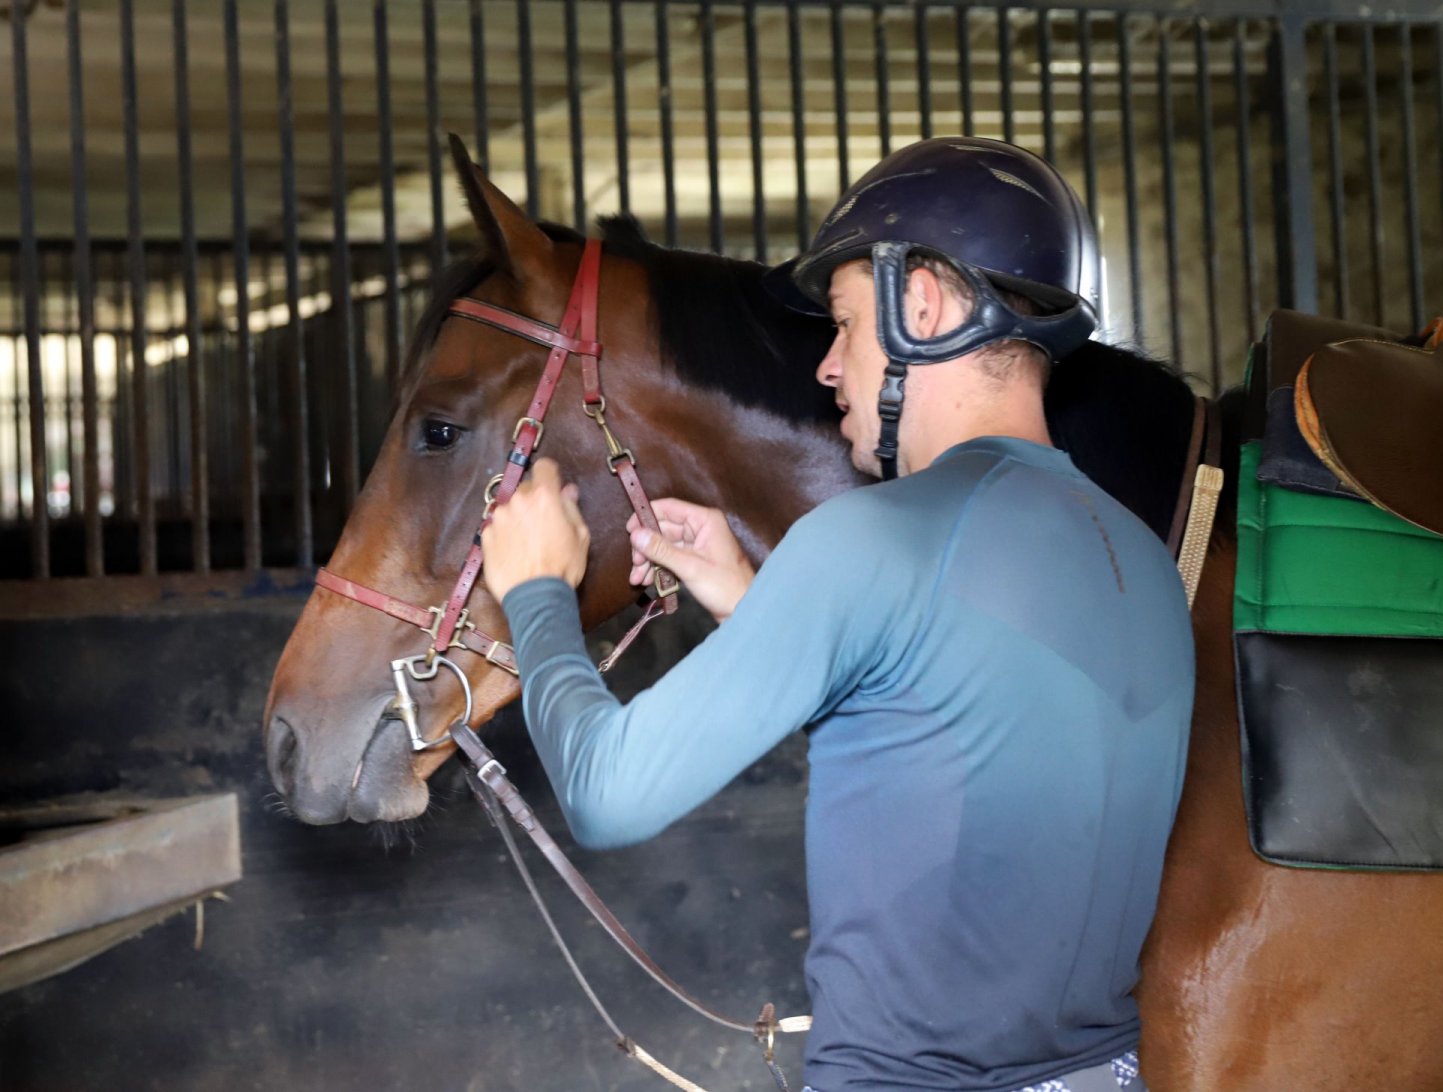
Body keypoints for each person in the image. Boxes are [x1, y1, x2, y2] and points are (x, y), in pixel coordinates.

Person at [479, 137, 1194, 1092]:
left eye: (847, 324)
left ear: (922, 306)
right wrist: (752, 597)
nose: (826, 366)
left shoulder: (869, 541)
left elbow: (607, 793)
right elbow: (940, 735)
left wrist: (535, 590)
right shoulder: (1143, 558)